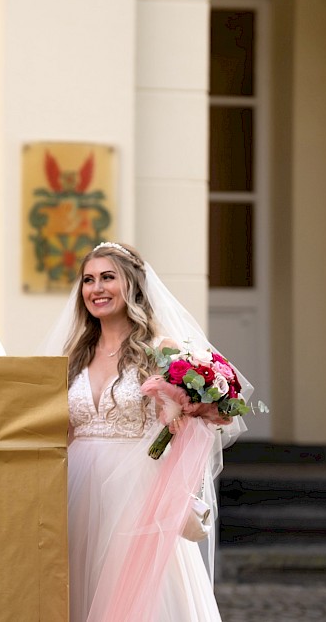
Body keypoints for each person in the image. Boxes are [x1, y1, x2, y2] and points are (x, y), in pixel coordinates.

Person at [43, 241, 250, 622]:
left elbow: (189, 426)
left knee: (133, 594)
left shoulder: (160, 350)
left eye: (108, 277)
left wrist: (184, 415)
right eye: (88, 280)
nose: (96, 288)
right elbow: (63, 429)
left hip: (135, 491)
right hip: (75, 486)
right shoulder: (74, 354)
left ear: (133, 285)